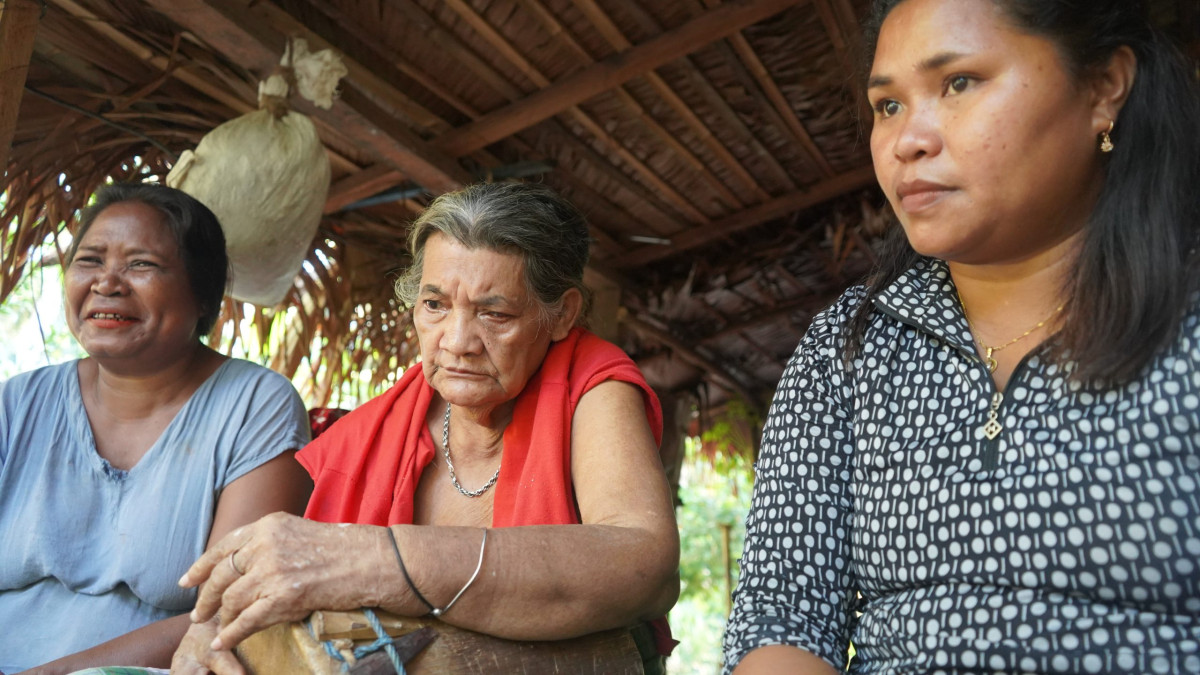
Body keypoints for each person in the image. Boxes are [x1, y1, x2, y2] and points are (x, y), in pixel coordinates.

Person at [723, 0, 1200, 672]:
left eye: (958, 83)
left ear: (1104, 88)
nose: (906, 140)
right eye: (887, 105)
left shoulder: (1186, 320)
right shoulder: (852, 346)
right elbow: (782, 618)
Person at [172, 181, 680, 674]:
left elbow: (643, 564)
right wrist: (211, 629)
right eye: (435, 305)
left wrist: (376, 560)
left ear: (562, 314)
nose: (458, 340)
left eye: (494, 313)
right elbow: (277, 567)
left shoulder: (592, 387)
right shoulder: (374, 430)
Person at [0, 183, 313, 674]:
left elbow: (228, 608)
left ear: (203, 294)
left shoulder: (255, 406)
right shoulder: (19, 404)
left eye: (140, 264)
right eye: (90, 260)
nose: (107, 282)